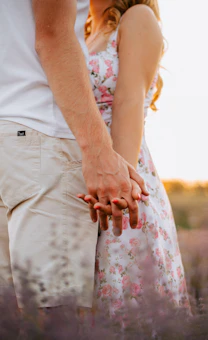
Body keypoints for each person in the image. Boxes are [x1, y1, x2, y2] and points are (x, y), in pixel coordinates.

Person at [0, 0, 148, 309]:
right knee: (54, 321)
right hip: (43, 137)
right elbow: (53, 35)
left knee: (12, 324)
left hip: (13, 140)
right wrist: (98, 150)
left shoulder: (135, 21)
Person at [79, 0, 191, 316]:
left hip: (121, 174)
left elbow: (129, 103)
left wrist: (116, 193)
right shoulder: (83, 30)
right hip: (81, 173)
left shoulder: (137, 18)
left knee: (124, 306)